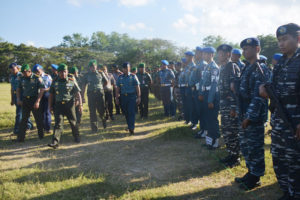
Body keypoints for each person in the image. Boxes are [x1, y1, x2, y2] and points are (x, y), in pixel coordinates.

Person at [259, 23, 300, 200]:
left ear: (298, 38)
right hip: (279, 121)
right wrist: (264, 90)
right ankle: (286, 191)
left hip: (295, 123)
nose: (281, 44)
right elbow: (273, 88)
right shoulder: (280, 63)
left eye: (285, 39)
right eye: (279, 40)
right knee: (279, 157)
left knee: (295, 161)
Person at [234, 37, 270, 190]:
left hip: (253, 115)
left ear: (257, 49)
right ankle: (250, 172)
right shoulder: (246, 67)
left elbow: (259, 97)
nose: (244, 51)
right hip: (244, 111)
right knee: (246, 146)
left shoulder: (261, 69)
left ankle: (256, 177)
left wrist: (249, 117)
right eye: (243, 49)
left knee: (255, 147)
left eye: (248, 48)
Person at [217, 44, 241, 167]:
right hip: (223, 104)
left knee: (232, 131)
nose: (219, 55)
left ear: (228, 54)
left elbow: (235, 89)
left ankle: (236, 157)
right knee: (226, 130)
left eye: (222, 53)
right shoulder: (223, 68)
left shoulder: (232, 67)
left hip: (230, 105)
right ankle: (231, 153)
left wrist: (233, 107)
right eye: (219, 53)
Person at [48, 63, 82, 149]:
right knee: (58, 123)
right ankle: (55, 142)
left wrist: (80, 104)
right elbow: (51, 95)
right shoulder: (55, 81)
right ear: (58, 72)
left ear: (67, 72)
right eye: (61, 72)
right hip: (58, 105)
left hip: (70, 104)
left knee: (73, 122)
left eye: (64, 71)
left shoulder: (71, 80)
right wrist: (50, 106)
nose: (63, 74)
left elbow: (78, 93)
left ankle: (77, 137)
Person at [16, 64, 45, 142]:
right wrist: (18, 99)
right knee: (24, 119)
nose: (24, 74)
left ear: (29, 71)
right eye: (22, 72)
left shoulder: (37, 78)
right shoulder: (21, 78)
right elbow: (18, 89)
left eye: (25, 72)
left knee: (38, 118)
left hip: (34, 99)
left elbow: (42, 89)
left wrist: (38, 101)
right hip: (25, 100)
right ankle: (21, 138)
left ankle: (41, 135)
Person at [198, 47, 220, 149]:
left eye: (206, 54)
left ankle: (215, 142)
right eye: (203, 54)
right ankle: (209, 141)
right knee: (207, 119)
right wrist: (201, 93)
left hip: (212, 95)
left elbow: (214, 85)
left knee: (212, 119)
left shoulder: (214, 67)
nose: (204, 56)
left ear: (212, 55)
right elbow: (203, 82)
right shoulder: (207, 67)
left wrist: (210, 100)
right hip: (206, 93)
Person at [81, 59, 108, 132]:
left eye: (94, 66)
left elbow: (106, 81)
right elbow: (83, 86)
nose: (93, 68)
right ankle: (94, 128)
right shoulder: (86, 75)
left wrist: (101, 87)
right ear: (89, 67)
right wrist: (82, 97)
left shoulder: (100, 73)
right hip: (91, 94)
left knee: (101, 110)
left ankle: (103, 120)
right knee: (92, 111)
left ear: (96, 66)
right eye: (91, 66)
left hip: (99, 94)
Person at [115, 62, 141, 135]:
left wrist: (139, 97)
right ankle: (129, 126)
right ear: (122, 69)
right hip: (123, 97)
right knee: (126, 112)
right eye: (125, 68)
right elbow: (117, 88)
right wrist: (116, 98)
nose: (126, 69)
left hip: (131, 97)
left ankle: (131, 128)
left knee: (131, 112)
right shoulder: (120, 77)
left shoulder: (133, 76)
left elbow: (137, 87)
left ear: (129, 68)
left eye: (127, 68)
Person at [9, 63, 33, 135]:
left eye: (13, 69)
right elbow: (12, 88)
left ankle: (17, 129)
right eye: (11, 69)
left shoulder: (21, 75)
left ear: (17, 68)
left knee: (19, 113)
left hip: (22, 95)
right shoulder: (11, 77)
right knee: (23, 112)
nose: (12, 70)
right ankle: (29, 125)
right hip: (16, 95)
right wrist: (12, 99)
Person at [32, 64, 52, 133]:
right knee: (41, 113)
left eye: (38, 71)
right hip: (38, 96)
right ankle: (42, 127)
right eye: (35, 71)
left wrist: (44, 90)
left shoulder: (47, 76)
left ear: (41, 69)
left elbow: (50, 87)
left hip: (46, 95)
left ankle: (48, 128)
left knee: (47, 112)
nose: (37, 72)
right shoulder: (34, 78)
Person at [193, 47, 208, 138]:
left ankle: (204, 131)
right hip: (196, 90)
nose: (195, 54)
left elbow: (203, 80)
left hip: (200, 91)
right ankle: (202, 129)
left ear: (202, 54)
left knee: (202, 112)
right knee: (199, 111)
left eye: (197, 53)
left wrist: (200, 93)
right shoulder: (198, 64)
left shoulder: (203, 64)